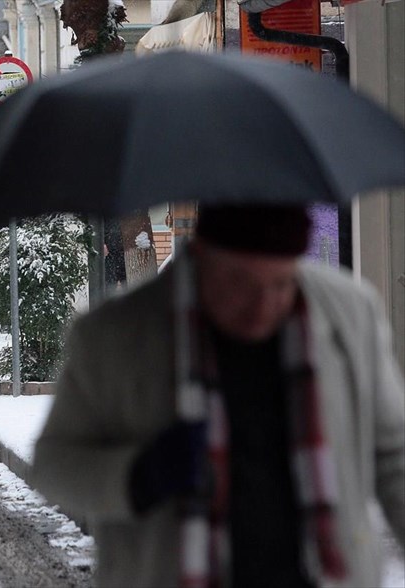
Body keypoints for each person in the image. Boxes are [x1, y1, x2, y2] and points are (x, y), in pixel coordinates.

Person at [32, 205, 404, 588]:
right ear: (200, 258)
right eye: (240, 283)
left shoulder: (351, 314)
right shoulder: (114, 334)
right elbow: (53, 463)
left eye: (281, 285)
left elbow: (394, 454)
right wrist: (139, 475)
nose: (263, 307)